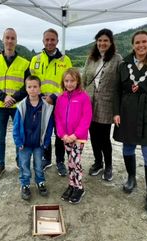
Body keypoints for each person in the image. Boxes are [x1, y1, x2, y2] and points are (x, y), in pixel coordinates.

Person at [113, 30, 147, 214]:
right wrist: (116, 112)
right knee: (128, 147)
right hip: (127, 112)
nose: (141, 45)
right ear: (132, 45)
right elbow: (117, 91)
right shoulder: (123, 65)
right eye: (137, 42)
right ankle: (131, 178)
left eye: (144, 42)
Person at [0, 28, 30, 181]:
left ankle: (20, 162)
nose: (10, 41)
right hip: (0, 105)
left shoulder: (24, 63)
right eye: (7, 38)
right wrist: (3, 97)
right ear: (3, 40)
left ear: (16, 41)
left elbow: (27, 85)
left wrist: (14, 98)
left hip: (17, 106)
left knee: (19, 136)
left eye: (13, 38)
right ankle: (0, 165)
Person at [30, 28, 72, 177]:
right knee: (44, 133)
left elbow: (69, 83)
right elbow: (31, 83)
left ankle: (60, 161)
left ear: (57, 41)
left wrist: (53, 97)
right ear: (43, 41)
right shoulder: (35, 60)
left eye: (52, 39)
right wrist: (39, 97)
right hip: (41, 103)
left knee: (61, 134)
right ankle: (46, 159)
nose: (49, 42)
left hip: (60, 103)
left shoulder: (65, 60)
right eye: (47, 39)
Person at [82, 29, 122, 181]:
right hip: (89, 103)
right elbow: (84, 79)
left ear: (111, 42)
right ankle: (98, 162)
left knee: (104, 137)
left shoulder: (117, 59)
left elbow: (120, 84)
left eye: (105, 40)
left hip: (106, 104)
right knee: (93, 136)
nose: (102, 43)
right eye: (99, 40)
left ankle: (109, 166)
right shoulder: (91, 58)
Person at [13, 75, 54, 200]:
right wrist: (18, 141)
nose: (32, 89)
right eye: (29, 87)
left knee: (38, 165)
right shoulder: (21, 107)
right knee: (24, 165)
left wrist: (46, 141)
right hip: (24, 144)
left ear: (40, 89)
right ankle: (25, 184)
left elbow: (49, 126)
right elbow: (16, 126)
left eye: (35, 87)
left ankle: (40, 182)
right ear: (26, 89)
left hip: (38, 144)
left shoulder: (46, 107)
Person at [55, 68, 92, 204]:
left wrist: (75, 135)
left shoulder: (83, 97)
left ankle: (79, 187)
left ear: (78, 81)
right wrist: (63, 134)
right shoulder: (61, 98)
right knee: (70, 161)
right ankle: (72, 184)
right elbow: (58, 118)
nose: (69, 84)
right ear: (63, 82)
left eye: (72, 81)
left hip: (78, 137)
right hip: (66, 137)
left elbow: (86, 118)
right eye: (67, 81)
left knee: (75, 162)